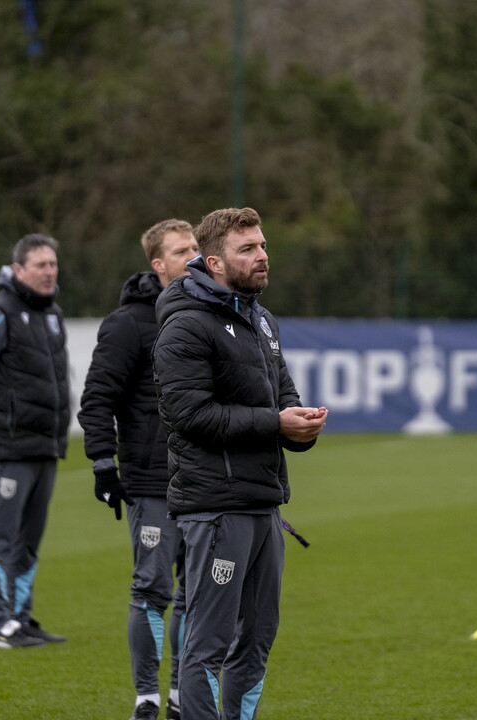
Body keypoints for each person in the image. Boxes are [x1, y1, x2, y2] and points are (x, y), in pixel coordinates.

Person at [152, 207, 328, 720]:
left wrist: (303, 426)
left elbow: (283, 397)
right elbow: (188, 414)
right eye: (247, 249)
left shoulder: (261, 319)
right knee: (206, 646)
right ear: (214, 261)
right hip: (215, 508)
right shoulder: (185, 325)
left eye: (263, 245)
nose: (262, 256)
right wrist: (276, 423)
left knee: (256, 643)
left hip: (264, 506)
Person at [78, 219, 199, 720]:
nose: (193, 255)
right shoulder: (128, 323)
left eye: (196, 247)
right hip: (151, 481)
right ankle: (146, 698)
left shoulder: (210, 312)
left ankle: (179, 696)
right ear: (158, 263)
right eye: (181, 250)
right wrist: (104, 465)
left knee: (196, 595)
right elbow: (96, 399)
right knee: (152, 590)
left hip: (205, 481)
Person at [0, 233, 70, 649]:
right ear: (18, 270)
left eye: (53, 264)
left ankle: (19, 618)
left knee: (28, 541)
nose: (49, 272)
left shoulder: (53, 313)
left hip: (44, 446)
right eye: (40, 265)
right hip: (7, 448)